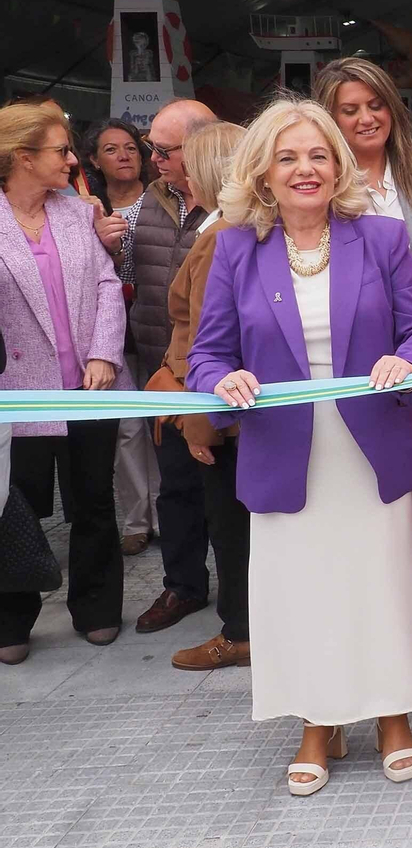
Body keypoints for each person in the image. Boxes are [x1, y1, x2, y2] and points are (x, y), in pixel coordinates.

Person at [187, 99, 412, 796]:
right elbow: (205, 356)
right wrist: (226, 378)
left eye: (319, 155)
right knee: (301, 593)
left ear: (338, 165)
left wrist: (408, 362)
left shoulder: (383, 238)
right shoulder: (237, 245)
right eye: (289, 157)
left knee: (380, 582)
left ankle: (393, 714)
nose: (306, 169)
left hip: (373, 447)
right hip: (284, 451)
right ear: (264, 173)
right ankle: (316, 723)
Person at [312, 58, 412, 631]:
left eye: (375, 105)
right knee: (360, 490)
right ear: (329, 119)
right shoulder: (321, 184)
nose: (366, 118)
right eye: (349, 110)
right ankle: (363, 610)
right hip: (347, 368)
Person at [0, 101, 125, 662]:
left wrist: (104, 354)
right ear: (23, 157)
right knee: (13, 505)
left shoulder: (77, 212)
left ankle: (97, 609)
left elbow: (105, 285)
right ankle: (10, 620)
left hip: (87, 386)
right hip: (17, 390)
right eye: (61, 151)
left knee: (94, 499)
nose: (73, 159)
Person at [159, 121, 252, 671]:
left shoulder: (220, 235)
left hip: (219, 411)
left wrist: (200, 423)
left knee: (231, 526)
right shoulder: (220, 228)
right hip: (220, 404)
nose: (179, 175)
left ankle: (239, 632)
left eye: (188, 165)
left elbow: (204, 337)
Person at [126, 98, 218, 636]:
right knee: (176, 486)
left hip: (222, 374)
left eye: (165, 149)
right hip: (165, 374)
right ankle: (182, 584)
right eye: (151, 148)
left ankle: (244, 590)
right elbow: (129, 273)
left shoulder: (235, 207)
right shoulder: (147, 202)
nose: (153, 158)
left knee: (228, 489)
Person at [79, 119, 161, 556]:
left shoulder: (162, 200)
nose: (125, 155)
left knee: (165, 420)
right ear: (93, 159)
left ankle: (167, 509)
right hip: (111, 328)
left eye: (131, 147)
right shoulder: (85, 208)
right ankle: (136, 520)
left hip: (157, 323)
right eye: (111, 149)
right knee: (129, 427)